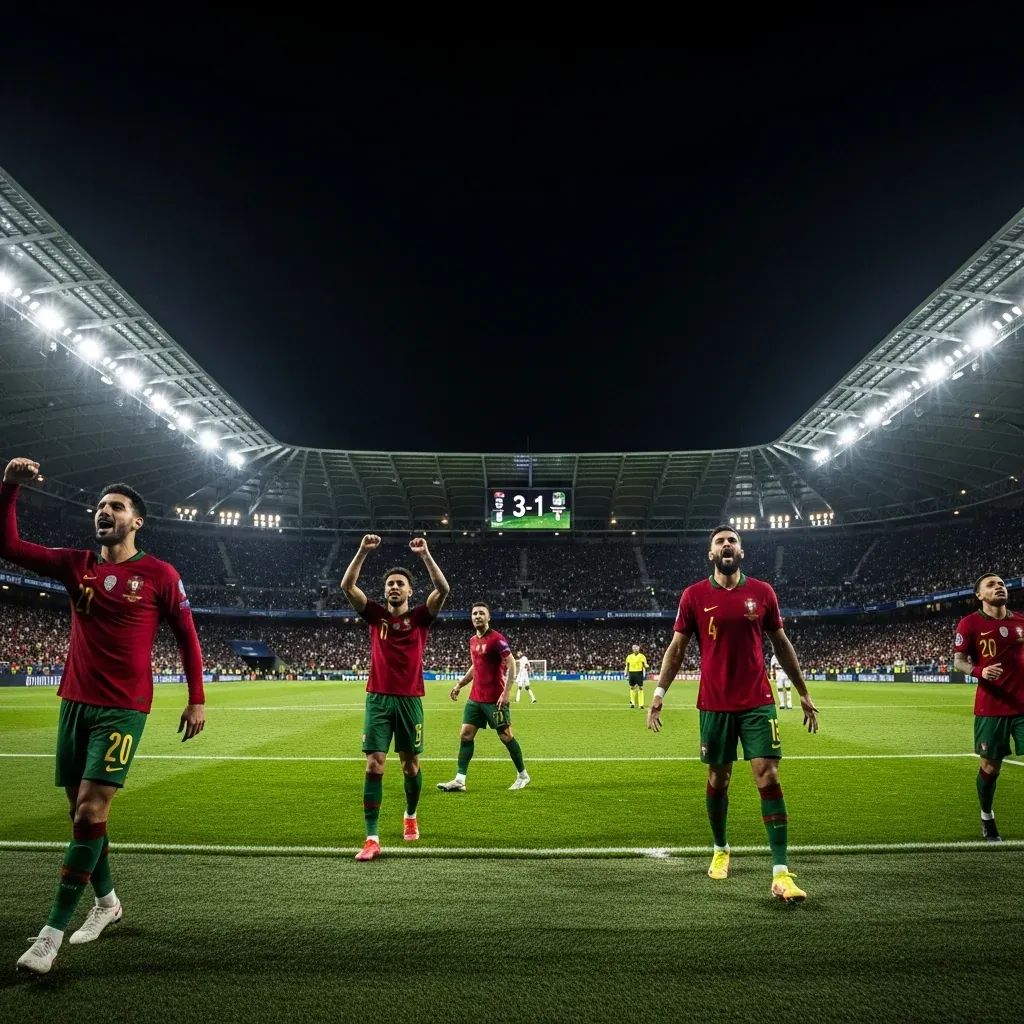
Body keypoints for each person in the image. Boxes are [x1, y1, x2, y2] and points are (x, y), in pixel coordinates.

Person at [1, 458, 206, 975]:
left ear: (137, 521)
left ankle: (50, 935)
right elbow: (8, 546)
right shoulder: (75, 564)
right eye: (99, 507)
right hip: (74, 704)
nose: (103, 512)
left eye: (115, 507)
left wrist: (197, 696)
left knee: (91, 811)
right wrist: (9, 488)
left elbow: (186, 636)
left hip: (123, 708)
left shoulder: (160, 575)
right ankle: (109, 903)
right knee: (82, 819)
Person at [647, 524, 818, 903]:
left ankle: (780, 873)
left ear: (741, 551)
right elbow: (676, 649)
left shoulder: (762, 592)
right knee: (719, 778)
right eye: (720, 541)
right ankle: (721, 847)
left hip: (758, 700)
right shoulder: (693, 596)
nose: (727, 545)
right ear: (711, 554)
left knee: (767, 774)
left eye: (733, 541)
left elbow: (782, 644)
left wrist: (803, 692)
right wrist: (659, 692)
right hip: (714, 703)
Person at [341, 533, 449, 861]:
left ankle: (411, 815)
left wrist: (425, 555)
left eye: (400, 583)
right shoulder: (376, 615)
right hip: (378, 698)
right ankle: (372, 838)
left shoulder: (419, 618)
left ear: (409, 591)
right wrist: (361, 550)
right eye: (390, 584)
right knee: (374, 764)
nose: (394, 587)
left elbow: (443, 590)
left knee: (410, 766)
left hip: (409, 699)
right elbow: (347, 586)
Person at [952, 572, 1024, 842]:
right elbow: (959, 661)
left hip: (1023, 705)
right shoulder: (969, 624)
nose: (999, 587)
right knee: (991, 769)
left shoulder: (1020, 621)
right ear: (979, 595)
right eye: (991, 585)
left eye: (1002, 583)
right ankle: (987, 817)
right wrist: (979, 671)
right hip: (991, 708)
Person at [437, 602, 530, 792]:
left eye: (481, 613)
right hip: (475, 699)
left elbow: (512, 664)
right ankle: (460, 780)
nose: (477, 616)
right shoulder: (472, 640)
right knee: (465, 734)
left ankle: (523, 775)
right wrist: (460, 684)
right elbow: (475, 667)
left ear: (488, 617)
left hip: (495, 698)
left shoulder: (497, 639)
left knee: (506, 736)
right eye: (474, 613)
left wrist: (506, 693)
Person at [625, 643, 648, 709]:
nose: (635, 649)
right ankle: (632, 703)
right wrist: (626, 672)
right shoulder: (629, 657)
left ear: (639, 649)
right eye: (634, 648)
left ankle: (641, 704)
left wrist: (647, 666)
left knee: (640, 688)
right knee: (632, 687)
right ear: (632, 649)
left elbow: (645, 664)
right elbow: (627, 666)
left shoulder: (642, 656)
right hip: (631, 673)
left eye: (636, 648)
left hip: (639, 672)